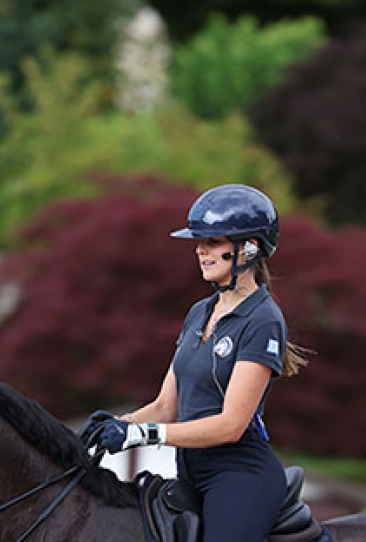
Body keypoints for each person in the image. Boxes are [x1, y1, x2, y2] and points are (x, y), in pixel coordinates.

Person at [86, 183, 309, 542]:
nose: (200, 250)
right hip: (189, 471)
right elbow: (165, 406)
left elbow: (231, 425)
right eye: (199, 242)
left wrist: (141, 435)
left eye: (214, 242)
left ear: (249, 248)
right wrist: (117, 424)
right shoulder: (199, 312)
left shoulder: (263, 319)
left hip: (239, 476)